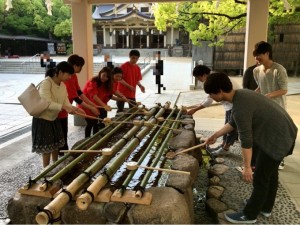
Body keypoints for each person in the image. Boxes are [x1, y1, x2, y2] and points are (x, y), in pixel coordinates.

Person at [203, 72, 297, 224]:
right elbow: (233, 122)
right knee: (270, 175)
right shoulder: (242, 95)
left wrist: (247, 167)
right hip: (286, 134)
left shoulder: (240, 106)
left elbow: (246, 140)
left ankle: (249, 215)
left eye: (211, 93)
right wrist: (215, 135)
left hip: (277, 140)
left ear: (220, 91)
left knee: (260, 177)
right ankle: (265, 208)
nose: (210, 97)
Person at [32, 62, 86, 167]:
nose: (70, 77)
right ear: (60, 72)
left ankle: (55, 166)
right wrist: (64, 107)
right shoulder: (46, 83)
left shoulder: (62, 86)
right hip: (43, 119)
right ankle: (46, 171)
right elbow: (46, 102)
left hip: (54, 118)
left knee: (56, 145)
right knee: (47, 148)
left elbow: (65, 101)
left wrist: (75, 108)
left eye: (71, 75)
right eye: (68, 74)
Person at [187, 65, 241, 156]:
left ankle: (225, 148)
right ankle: (223, 145)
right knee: (227, 125)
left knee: (231, 127)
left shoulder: (213, 80)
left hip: (234, 103)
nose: (199, 80)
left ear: (203, 75)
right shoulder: (214, 76)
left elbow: (209, 100)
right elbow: (209, 98)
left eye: (198, 77)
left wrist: (195, 110)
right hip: (229, 104)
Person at [253, 41, 288, 170]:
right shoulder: (256, 71)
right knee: (265, 134)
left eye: (259, 55)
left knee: (277, 135)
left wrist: (267, 96)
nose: (256, 58)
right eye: (255, 56)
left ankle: (280, 159)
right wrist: (252, 95)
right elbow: (260, 88)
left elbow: (284, 90)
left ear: (267, 53)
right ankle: (265, 158)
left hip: (278, 108)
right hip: (263, 109)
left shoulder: (279, 70)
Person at [58, 54, 99, 151]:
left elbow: (79, 92)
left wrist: (91, 104)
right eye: (81, 66)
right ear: (76, 65)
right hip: (60, 109)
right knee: (61, 135)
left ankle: (62, 153)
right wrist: (91, 107)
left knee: (63, 133)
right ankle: (62, 156)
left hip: (66, 109)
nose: (81, 69)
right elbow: (76, 98)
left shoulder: (73, 76)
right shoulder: (67, 78)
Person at [79, 67, 127, 137]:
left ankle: (95, 138)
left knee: (95, 123)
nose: (104, 78)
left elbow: (112, 92)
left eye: (107, 77)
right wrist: (104, 106)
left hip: (96, 106)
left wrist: (122, 97)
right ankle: (87, 139)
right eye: (103, 75)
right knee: (90, 123)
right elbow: (94, 96)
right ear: (100, 72)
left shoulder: (105, 83)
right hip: (87, 105)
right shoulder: (93, 82)